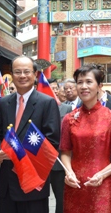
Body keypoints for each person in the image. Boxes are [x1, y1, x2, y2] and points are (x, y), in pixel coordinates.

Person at [0, 56, 60, 213]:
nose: (22, 76)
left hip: (32, 182)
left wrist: (16, 154)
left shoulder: (47, 103)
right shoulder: (4, 102)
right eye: (17, 72)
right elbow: (0, 135)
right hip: (7, 182)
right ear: (12, 75)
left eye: (26, 71)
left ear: (35, 74)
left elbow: (52, 142)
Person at [60, 64, 111, 213]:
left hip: (102, 184)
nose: (84, 86)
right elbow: (65, 151)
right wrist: (68, 172)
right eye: (80, 82)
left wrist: (103, 174)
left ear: (99, 86)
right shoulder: (68, 119)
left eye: (89, 82)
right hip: (74, 185)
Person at [48, 78, 72, 213]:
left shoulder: (66, 108)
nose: (53, 90)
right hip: (39, 160)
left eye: (55, 88)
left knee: (61, 198)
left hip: (58, 161)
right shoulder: (35, 107)